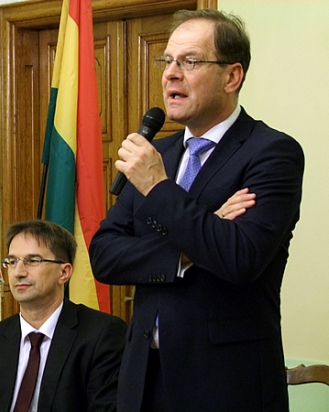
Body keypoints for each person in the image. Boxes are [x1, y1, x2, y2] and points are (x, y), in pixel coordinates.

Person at [90, 9, 304, 412]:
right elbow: (104, 255)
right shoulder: (157, 154)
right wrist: (188, 250)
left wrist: (158, 187)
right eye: (167, 60)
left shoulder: (272, 153)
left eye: (189, 61)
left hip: (225, 384)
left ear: (231, 76)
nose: (171, 74)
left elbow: (239, 256)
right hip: (143, 380)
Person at [0, 220, 127, 412]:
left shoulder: (102, 335)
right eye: (12, 261)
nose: (18, 272)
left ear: (64, 272)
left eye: (33, 260)